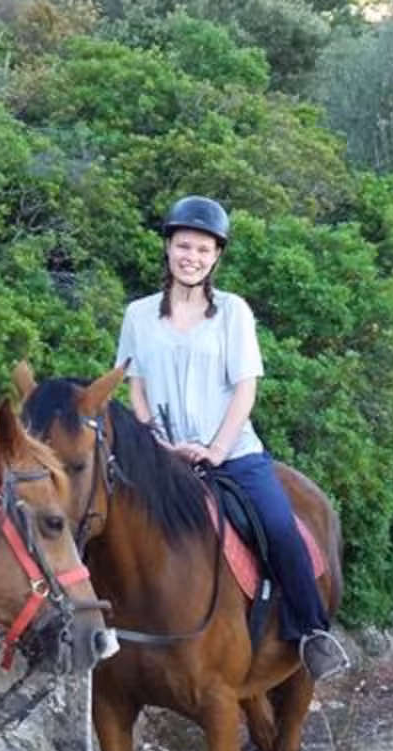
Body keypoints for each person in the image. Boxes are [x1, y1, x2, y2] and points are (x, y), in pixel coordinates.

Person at [114, 195, 349, 681]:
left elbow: (245, 388)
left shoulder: (233, 312)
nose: (192, 257)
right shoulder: (138, 315)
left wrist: (215, 450)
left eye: (203, 249)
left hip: (233, 454)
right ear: (168, 247)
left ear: (216, 256)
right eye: (184, 246)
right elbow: (135, 386)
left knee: (280, 527)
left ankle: (310, 631)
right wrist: (156, 444)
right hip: (162, 458)